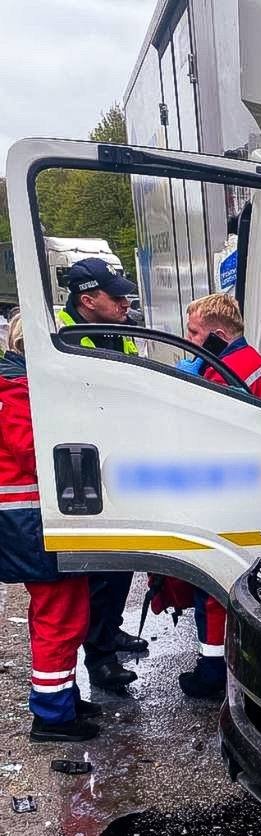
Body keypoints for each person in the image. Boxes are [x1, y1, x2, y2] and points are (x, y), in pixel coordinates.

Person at [174, 292, 261, 699]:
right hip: (253, 484)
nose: (188, 340)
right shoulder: (253, 363)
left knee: (212, 584)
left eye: (194, 333)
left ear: (219, 335)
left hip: (228, 488)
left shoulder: (225, 371)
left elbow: (201, 431)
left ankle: (213, 670)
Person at [0, 316, 100, 741]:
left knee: (65, 612)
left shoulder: (16, 387)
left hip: (33, 521)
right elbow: (35, 450)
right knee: (58, 617)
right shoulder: (20, 392)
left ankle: (62, 695)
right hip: (30, 522)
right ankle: (52, 714)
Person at [58, 258, 146, 693]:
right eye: (117, 297)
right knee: (99, 567)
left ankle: (110, 631)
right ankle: (100, 657)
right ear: (87, 300)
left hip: (117, 458)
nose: (126, 303)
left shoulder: (114, 328)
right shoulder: (60, 334)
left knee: (124, 559)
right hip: (84, 466)